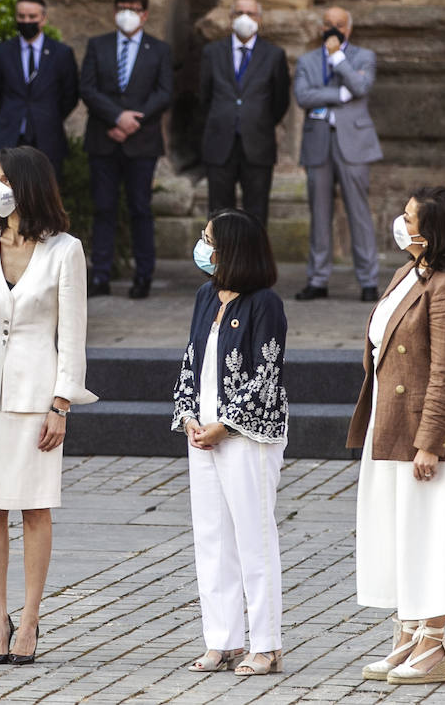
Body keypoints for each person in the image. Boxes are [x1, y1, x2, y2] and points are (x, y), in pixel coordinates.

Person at [0, 146, 98, 666]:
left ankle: (29, 620)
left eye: (5, 178)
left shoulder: (65, 250)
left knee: (34, 508)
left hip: (36, 398)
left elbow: (72, 334)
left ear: (27, 186)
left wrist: (62, 404)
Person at [349, 186, 445, 685]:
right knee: (398, 534)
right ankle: (407, 634)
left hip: (431, 437)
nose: (400, 222)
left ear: (433, 234)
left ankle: (434, 643)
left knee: (432, 536)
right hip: (389, 426)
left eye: (409, 218)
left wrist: (429, 443)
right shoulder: (407, 274)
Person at [172, 208, 288, 677]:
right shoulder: (205, 295)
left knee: (253, 537)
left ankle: (266, 643)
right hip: (202, 435)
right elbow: (190, 359)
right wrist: (189, 416)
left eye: (210, 241)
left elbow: (267, 372)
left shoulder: (265, 303)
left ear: (233, 250)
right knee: (212, 536)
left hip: (247, 435)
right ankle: (222, 639)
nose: (204, 248)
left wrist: (228, 423)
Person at [79, 0, 174, 300]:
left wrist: (135, 120)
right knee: (104, 208)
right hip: (104, 138)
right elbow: (88, 89)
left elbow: (163, 92)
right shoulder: (98, 45)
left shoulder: (158, 49)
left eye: (133, 8)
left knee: (140, 209)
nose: (126, 13)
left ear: (145, 14)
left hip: (142, 141)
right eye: (121, 7)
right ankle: (101, 274)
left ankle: (143, 275)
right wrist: (117, 117)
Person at [293, 5, 382, 303]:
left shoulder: (363, 57)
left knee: (358, 213)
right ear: (321, 27)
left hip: (353, 142)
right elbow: (304, 96)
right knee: (319, 213)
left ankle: (368, 280)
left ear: (349, 28)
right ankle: (318, 279)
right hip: (317, 142)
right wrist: (339, 95)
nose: (333, 29)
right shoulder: (306, 60)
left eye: (340, 24)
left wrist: (338, 59)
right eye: (328, 23)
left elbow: (360, 86)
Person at [199, 0, 290, 228]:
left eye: (250, 14)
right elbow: (204, 96)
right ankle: (219, 263)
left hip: (257, 144)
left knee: (256, 212)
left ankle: (253, 264)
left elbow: (280, 100)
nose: (244, 18)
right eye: (239, 13)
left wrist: (258, 120)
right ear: (230, 18)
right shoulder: (213, 52)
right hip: (220, 143)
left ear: (259, 19)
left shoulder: (273, 55)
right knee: (219, 213)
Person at [0, 0, 80, 176]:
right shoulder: (1, 52)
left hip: (48, 138)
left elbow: (70, 94)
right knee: (4, 198)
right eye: (21, 17)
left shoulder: (61, 53)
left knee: (45, 199)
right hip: (9, 136)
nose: (26, 21)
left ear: (43, 19)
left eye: (32, 17)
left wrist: (48, 115)